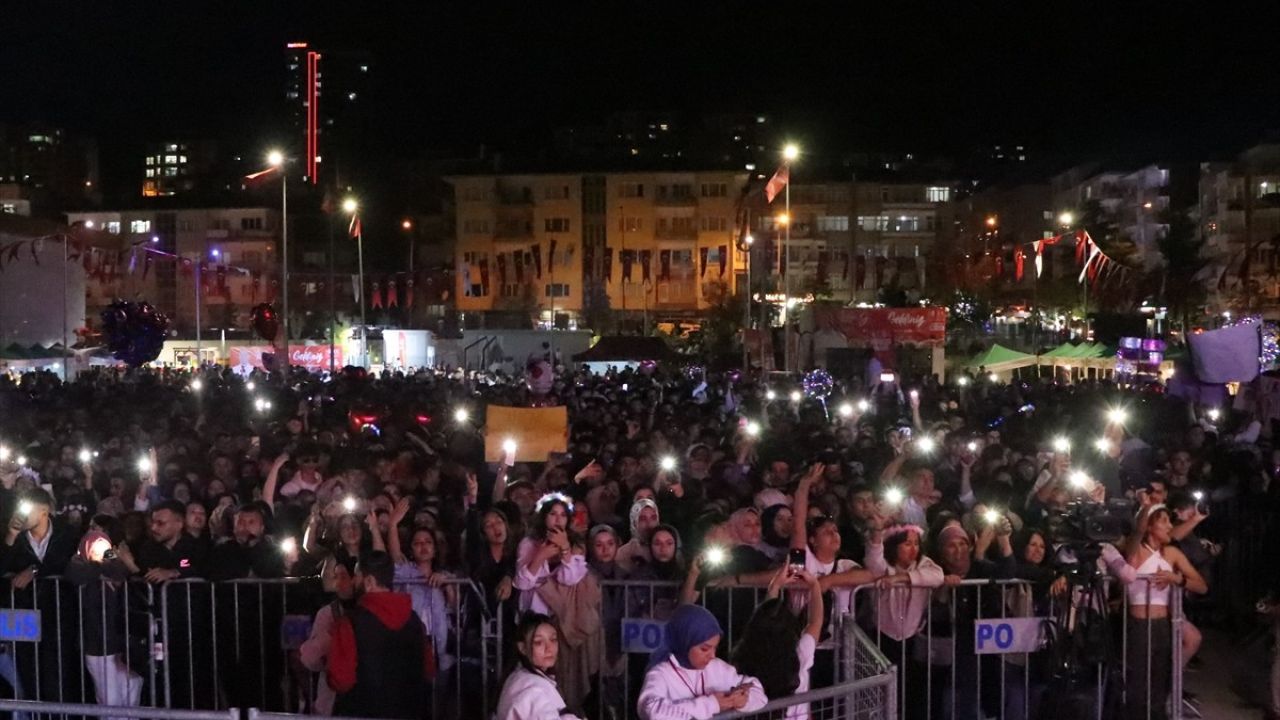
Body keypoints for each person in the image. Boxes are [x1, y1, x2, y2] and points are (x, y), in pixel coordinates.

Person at [1123, 505, 1208, 720]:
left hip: (1163, 624)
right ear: (1150, 526)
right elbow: (1137, 533)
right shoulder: (1136, 550)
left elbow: (1202, 586)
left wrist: (1177, 579)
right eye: (1164, 522)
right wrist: (1145, 507)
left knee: (1160, 680)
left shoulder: (1172, 553)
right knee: (1138, 681)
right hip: (1139, 625)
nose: (1170, 526)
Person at [328, 551, 431, 719]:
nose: (354, 581)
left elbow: (341, 680)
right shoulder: (414, 620)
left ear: (368, 581)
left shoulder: (349, 623)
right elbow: (429, 669)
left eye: (357, 575)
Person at [637, 603, 767, 720]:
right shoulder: (661, 673)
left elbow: (758, 692)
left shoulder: (717, 667)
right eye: (705, 649)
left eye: (715, 647)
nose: (712, 655)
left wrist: (744, 700)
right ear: (685, 642)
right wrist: (712, 704)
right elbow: (651, 711)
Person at [731, 566, 824, 720]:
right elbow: (815, 621)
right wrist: (814, 585)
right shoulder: (801, 654)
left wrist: (775, 585)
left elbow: (767, 620)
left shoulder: (744, 656)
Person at [298, 556, 358, 716]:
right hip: (332, 696)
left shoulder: (368, 613)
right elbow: (310, 659)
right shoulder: (327, 613)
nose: (338, 582)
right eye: (335, 576)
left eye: (343, 576)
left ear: (356, 579)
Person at [495, 613, 584, 720]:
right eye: (538, 642)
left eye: (553, 640)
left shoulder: (519, 675)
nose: (549, 648)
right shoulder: (534, 691)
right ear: (522, 648)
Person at [514, 494, 588, 616]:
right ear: (544, 517)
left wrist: (565, 548)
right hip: (534, 612)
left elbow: (570, 579)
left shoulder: (576, 545)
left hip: (565, 614)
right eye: (553, 514)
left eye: (563, 515)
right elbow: (522, 583)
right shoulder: (528, 543)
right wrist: (541, 556)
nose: (558, 519)